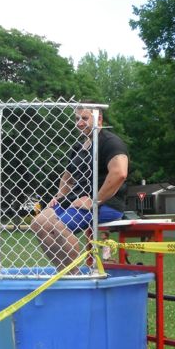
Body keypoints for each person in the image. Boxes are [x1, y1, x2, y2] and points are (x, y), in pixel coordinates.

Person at [31, 107, 128, 271]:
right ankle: (64, 270)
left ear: (99, 120)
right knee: (39, 223)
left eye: (84, 118)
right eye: (77, 119)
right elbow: (67, 178)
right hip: (76, 200)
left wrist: (94, 200)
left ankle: (75, 276)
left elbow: (119, 173)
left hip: (107, 202)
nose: (79, 123)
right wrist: (59, 197)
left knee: (59, 227)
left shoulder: (110, 142)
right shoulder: (79, 147)